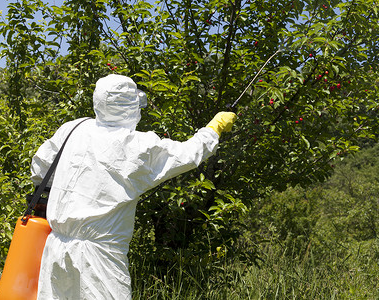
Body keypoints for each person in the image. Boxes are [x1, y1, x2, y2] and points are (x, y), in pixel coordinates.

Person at [30, 74, 237, 299]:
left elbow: (40, 169)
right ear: (128, 106)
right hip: (100, 257)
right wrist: (213, 128)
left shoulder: (74, 128)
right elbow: (186, 154)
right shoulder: (135, 145)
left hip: (56, 247)